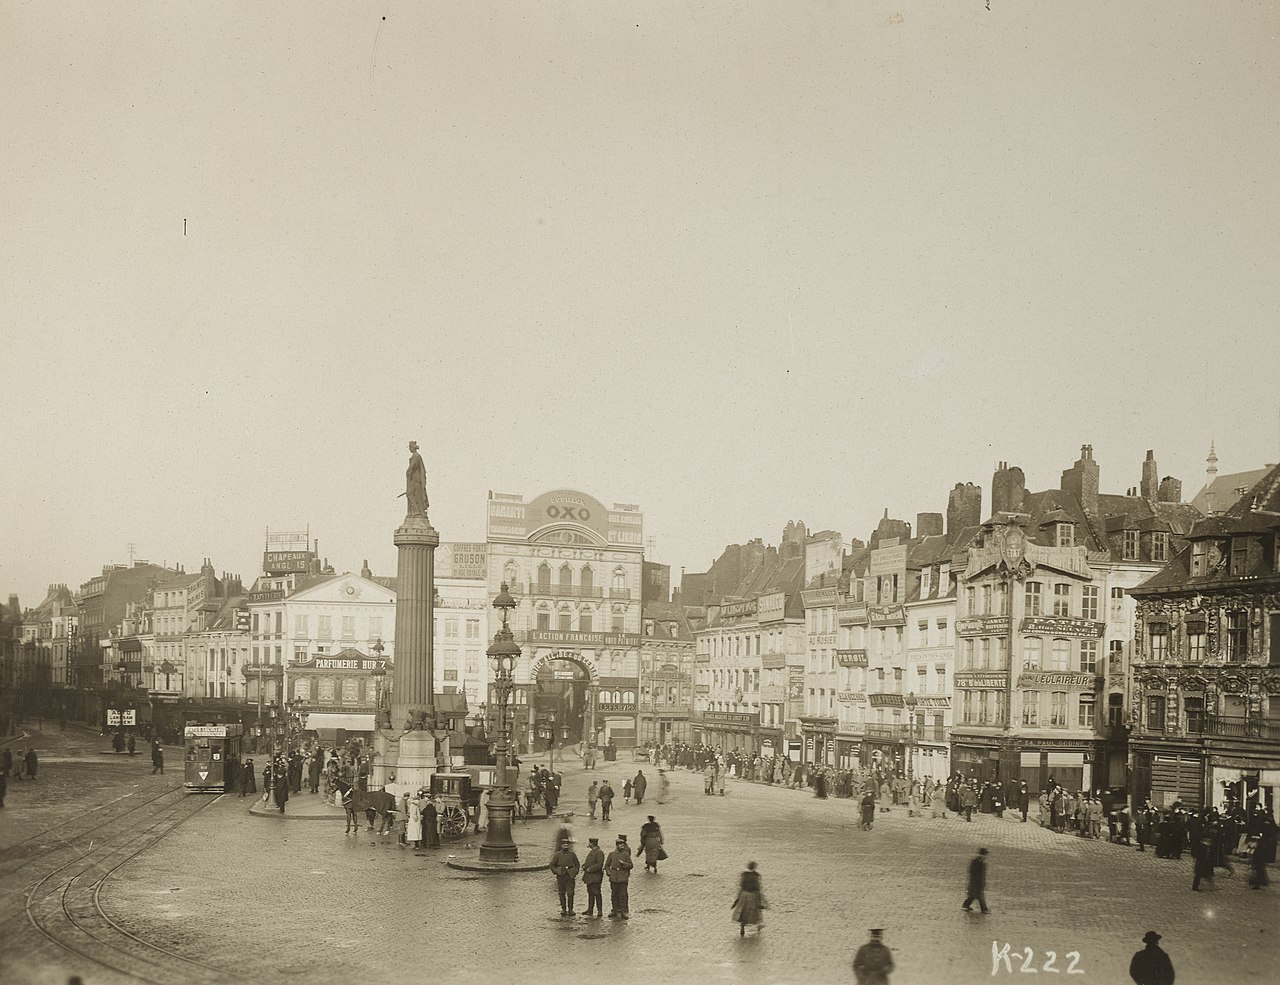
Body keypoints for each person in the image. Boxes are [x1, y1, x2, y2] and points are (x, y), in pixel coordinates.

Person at [732, 861, 766, 937]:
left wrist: (737, 899)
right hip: (753, 895)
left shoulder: (744, 875)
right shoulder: (756, 876)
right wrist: (760, 900)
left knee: (743, 911)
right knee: (755, 912)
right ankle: (758, 926)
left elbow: (741, 887)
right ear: (754, 867)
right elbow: (758, 888)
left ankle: (742, 927)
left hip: (744, 894)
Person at [605, 835, 633, 919]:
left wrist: (624, 864)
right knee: (614, 894)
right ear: (617, 845)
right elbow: (606, 865)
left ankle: (623, 911)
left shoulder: (626, 855)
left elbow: (631, 865)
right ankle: (614, 910)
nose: (622, 846)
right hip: (614, 877)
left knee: (622, 895)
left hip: (623, 877)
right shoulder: (611, 854)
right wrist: (609, 872)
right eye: (620, 845)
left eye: (623, 845)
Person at [551, 837, 581, 915]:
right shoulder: (557, 855)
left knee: (570, 893)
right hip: (561, 876)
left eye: (567, 844)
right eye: (564, 844)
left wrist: (575, 872)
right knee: (561, 893)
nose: (566, 846)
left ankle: (571, 909)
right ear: (561, 846)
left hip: (570, 876)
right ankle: (563, 909)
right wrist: (556, 871)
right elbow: (552, 865)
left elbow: (577, 864)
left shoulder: (572, 854)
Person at [581, 837, 605, 917]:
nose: (588, 844)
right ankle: (590, 909)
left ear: (592, 843)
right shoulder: (592, 852)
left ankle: (599, 910)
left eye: (589, 843)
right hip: (589, 877)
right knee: (590, 893)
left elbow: (599, 865)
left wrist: (590, 869)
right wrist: (584, 866)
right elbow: (589, 862)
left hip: (595, 877)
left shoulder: (599, 852)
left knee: (597, 893)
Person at [962, 847, 990, 914]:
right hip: (976, 881)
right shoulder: (977, 861)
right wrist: (978, 881)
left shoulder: (981, 861)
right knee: (979, 895)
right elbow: (973, 872)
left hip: (977, 881)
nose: (985, 856)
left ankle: (966, 905)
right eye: (985, 854)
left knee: (974, 895)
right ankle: (984, 909)